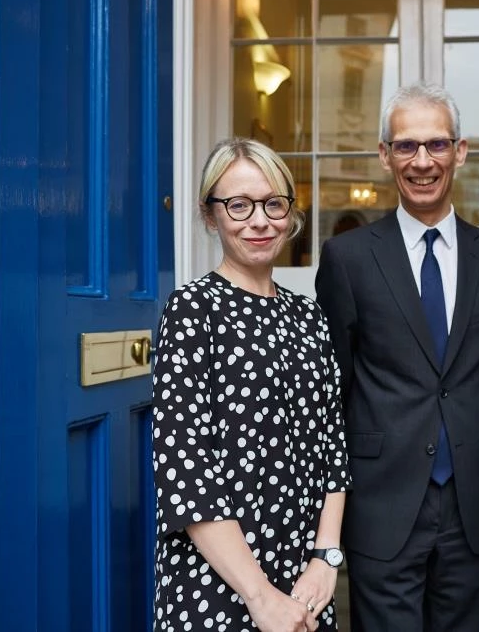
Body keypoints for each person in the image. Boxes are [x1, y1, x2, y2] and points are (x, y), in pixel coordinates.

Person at [315, 82, 479, 631]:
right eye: (406, 146)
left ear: (461, 150)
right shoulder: (348, 259)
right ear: (384, 155)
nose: (422, 161)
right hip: (382, 500)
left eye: (437, 144)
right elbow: (338, 379)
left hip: (469, 501)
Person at [152, 138, 349, 632]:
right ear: (210, 215)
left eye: (272, 203)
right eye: (238, 205)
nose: (259, 221)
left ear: (289, 213)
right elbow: (186, 472)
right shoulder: (192, 311)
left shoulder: (308, 315)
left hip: (305, 581)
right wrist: (259, 596)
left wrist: (326, 558)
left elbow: (334, 447)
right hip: (221, 582)